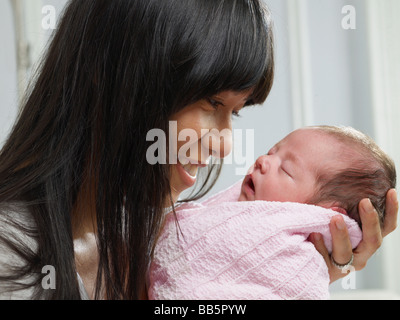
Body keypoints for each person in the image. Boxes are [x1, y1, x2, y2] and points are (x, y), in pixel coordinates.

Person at [0, 0, 397, 300]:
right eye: (212, 103)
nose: (226, 144)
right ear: (121, 79)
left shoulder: (168, 233)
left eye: (235, 114)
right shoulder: (11, 257)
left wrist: (311, 268)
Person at [148, 126, 396, 299]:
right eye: (271, 152)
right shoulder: (235, 217)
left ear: (320, 215)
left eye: (286, 169)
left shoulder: (300, 265)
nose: (262, 161)